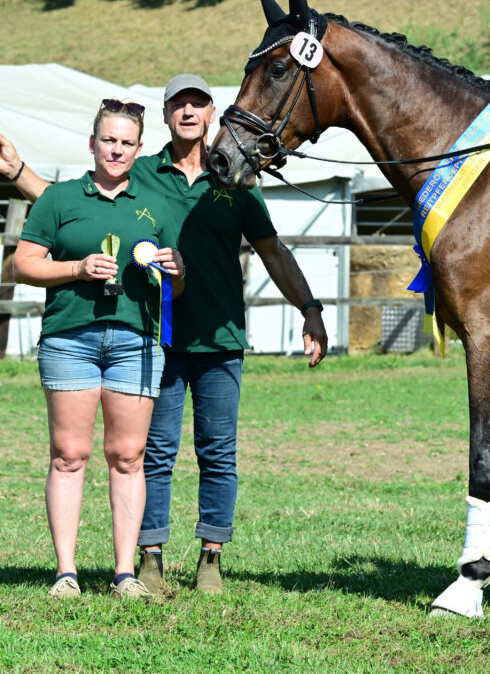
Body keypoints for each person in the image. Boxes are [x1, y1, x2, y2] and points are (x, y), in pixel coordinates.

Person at [0, 73, 328, 595]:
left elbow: (273, 250)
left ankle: (211, 558)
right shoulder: (143, 172)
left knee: (218, 451)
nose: (189, 112)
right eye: (179, 103)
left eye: (198, 103)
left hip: (220, 337)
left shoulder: (236, 180)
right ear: (167, 113)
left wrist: (309, 308)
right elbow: (72, 206)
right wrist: (19, 172)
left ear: (212, 114)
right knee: (149, 453)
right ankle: (147, 557)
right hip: (156, 337)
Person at [13, 99, 186, 599]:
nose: (116, 150)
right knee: (69, 454)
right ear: (92, 143)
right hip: (70, 339)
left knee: (128, 456)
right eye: (108, 140)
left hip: (137, 341)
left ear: (138, 148)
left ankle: (125, 574)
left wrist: (177, 273)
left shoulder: (157, 206)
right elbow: (22, 264)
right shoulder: (59, 198)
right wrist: (76, 269)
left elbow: (180, 287)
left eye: (127, 142)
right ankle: (65, 574)